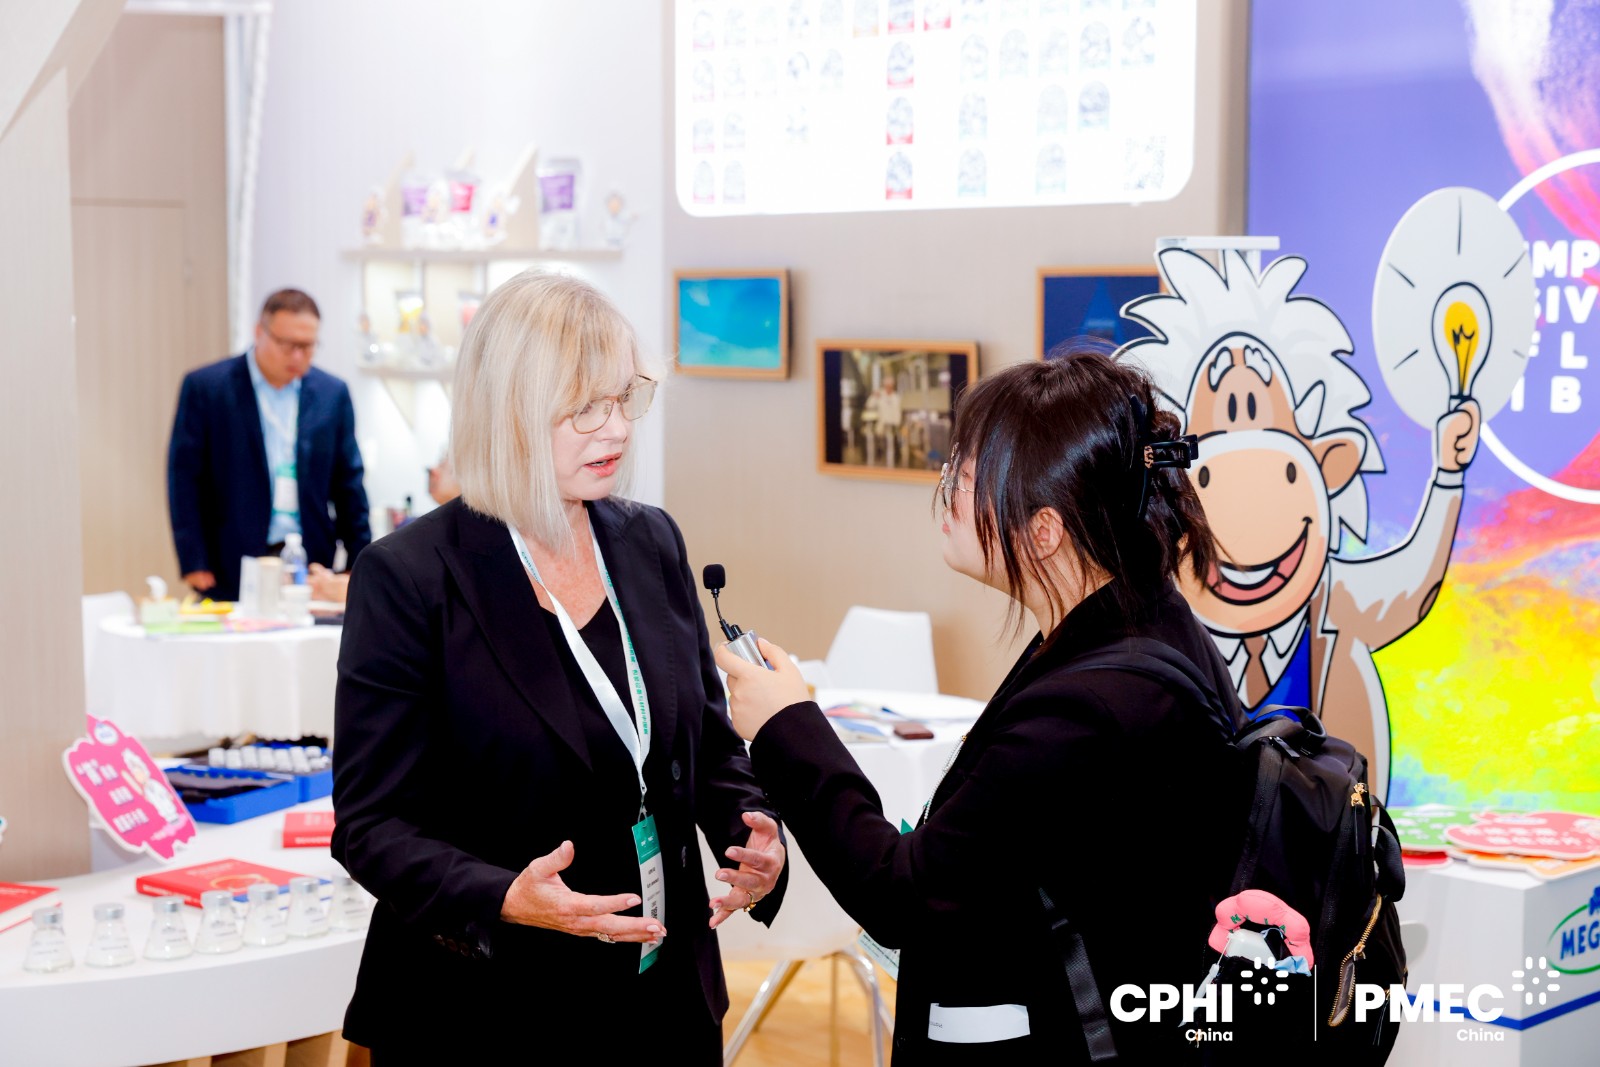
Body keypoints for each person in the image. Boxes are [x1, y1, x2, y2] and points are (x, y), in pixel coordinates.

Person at [716, 349, 1247, 1064]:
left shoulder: (1092, 705)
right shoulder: (1142, 621)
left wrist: (786, 725)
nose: (947, 494)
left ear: (1044, 531)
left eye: (966, 479)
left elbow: (904, 895)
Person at [332, 270, 787, 1062]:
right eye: (585, 409)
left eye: (625, 398)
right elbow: (371, 825)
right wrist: (505, 895)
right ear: (507, 412)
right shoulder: (410, 576)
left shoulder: (650, 540)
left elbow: (706, 743)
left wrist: (750, 829)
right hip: (488, 1008)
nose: (617, 429)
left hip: (664, 995)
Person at [166, 289, 371, 601]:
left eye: (307, 346)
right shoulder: (208, 388)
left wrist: (360, 561)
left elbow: (349, 484)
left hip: (310, 559)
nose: (297, 356)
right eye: (288, 345)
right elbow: (184, 479)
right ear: (259, 332)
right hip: (231, 558)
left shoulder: (332, 394)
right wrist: (193, 559)